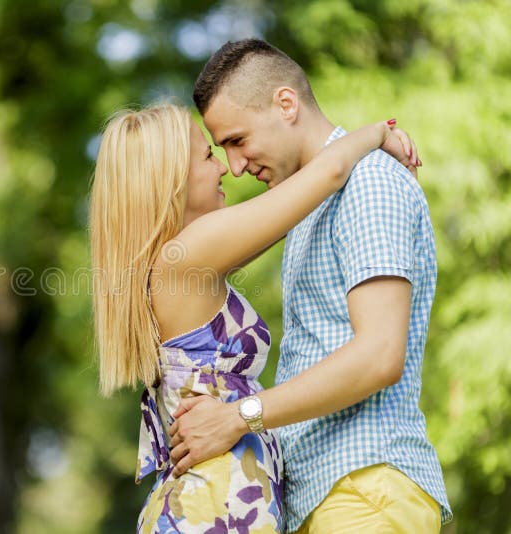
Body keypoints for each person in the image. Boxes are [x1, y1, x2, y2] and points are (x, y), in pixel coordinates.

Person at [89, 101, 418, 532]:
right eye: (208, 156)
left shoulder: (181, 262)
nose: (225, 168)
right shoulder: (187, 254)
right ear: (172, 183)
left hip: (217, 505)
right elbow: (327, 176)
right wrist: (377, 132)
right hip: (212, 508)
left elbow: (292, 212)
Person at [167, 39, 452, 533]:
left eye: (237, 140)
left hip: (366, 489)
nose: (234, 166)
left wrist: (238, 417)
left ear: (286, 104)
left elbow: (380, 356)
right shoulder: (308, 201)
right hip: (326, 496)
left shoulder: (369, 184)